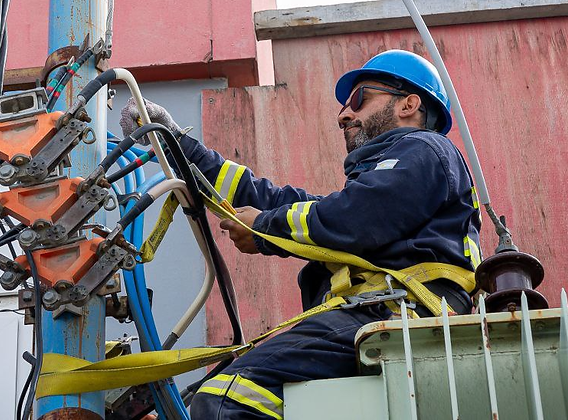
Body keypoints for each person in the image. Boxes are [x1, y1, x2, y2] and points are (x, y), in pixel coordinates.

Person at [120, 49, 482, 420]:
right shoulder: (393, 181)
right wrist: (178, 143)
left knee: (225, 399)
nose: (344, 114)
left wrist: (263, 229)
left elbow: (352, 219)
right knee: (200, 400)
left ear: (409, 104)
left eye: (360, 99)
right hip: (378, 314)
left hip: (398, 315)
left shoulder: (426, 149)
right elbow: (281, 201)